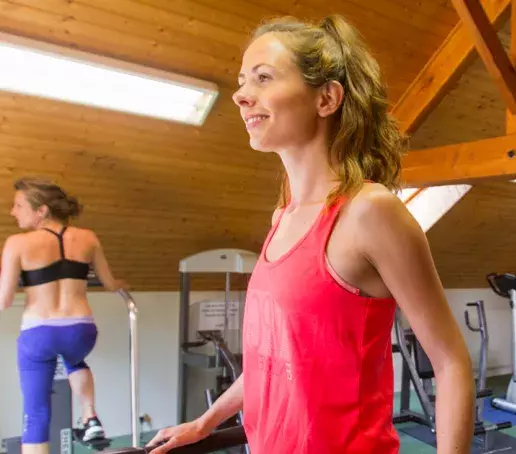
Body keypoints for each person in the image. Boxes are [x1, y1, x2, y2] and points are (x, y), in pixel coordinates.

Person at [145, 15, 475, 454]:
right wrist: (205, 423)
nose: (241, 95)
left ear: (326, 99)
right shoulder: (282, 216)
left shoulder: (369, 211)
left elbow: (451, 363)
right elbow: (274, 360)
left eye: (263, 78)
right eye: (242, 82)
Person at [0, 178, 128, 454]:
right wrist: (122, 285)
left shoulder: (17, 243)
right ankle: (90, 416)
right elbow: (109, 283)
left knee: (36, 414)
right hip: (81, 331)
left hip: (39, 333)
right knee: (74, 360)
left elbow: (4, 300)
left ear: (42, 210)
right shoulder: (88, 238)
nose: (13, 212)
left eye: (19, 205)